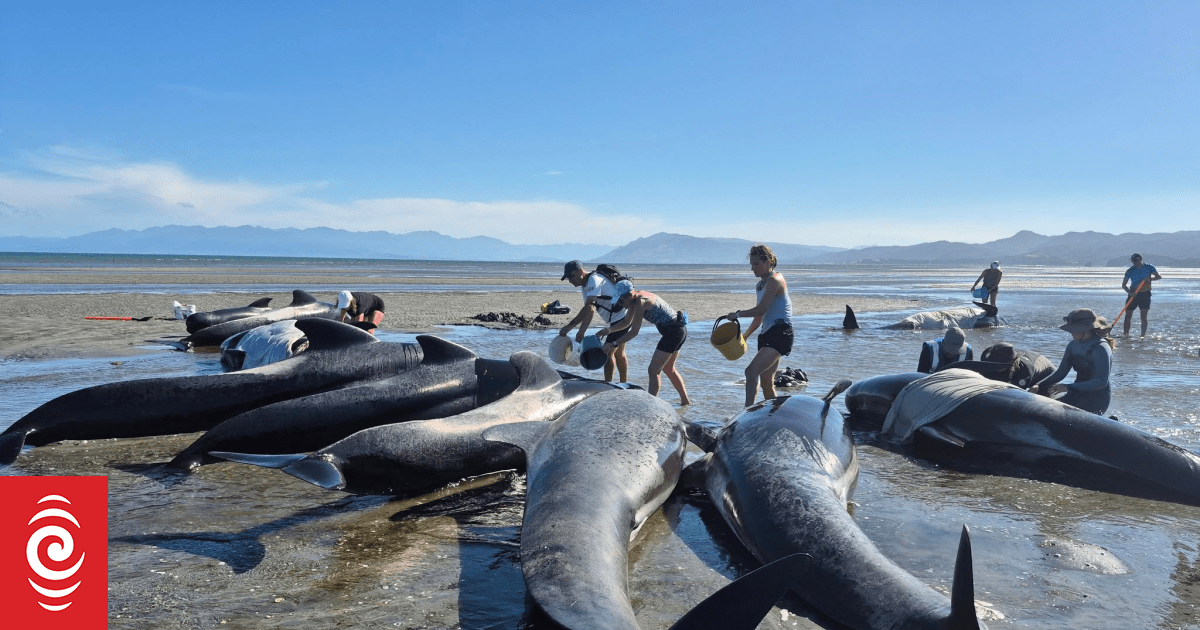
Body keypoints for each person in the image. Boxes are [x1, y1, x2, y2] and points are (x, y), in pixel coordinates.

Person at [597, 280, 690, 405]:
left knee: (653, 370)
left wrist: (614, 344)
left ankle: (650, 405)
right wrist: (607, 330)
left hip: (673, 333)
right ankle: (685, 402)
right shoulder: (635, 299)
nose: (620, 305)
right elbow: (626, 322)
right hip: (679, 329)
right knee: (668, 368)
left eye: (620, 301)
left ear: (629, 295)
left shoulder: (641, 302)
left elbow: (634, 332)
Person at [724, 244, 793, 407]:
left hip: (781, 333)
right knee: (767, 382)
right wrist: (745, 336)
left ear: (768, 262)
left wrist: (738, 314)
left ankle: (747, 411)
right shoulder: (760, 285)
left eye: (756, 264)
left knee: (750, 372)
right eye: (751, 264)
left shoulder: (775, 280)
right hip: (767, 333)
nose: (752, 268)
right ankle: (774, 414)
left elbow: (762, 308)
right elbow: (759, 316)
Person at [1028, 308, 1114, 415]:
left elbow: (1102, 381)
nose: (1072, 333)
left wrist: (1068, 387)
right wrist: (1039, 385)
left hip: (1097, 399)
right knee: (1044, 410)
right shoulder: (1073, 345)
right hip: (1076, 394)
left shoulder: (1101, 348)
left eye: (1074, 330)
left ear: (1086, 329)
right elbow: (1061, 372)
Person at [557, 260, 629, 383]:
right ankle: (624, 384)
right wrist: (571, 327)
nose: (570, 280)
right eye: (567, 278)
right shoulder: (585, 285)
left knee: (608, 351)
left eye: (571, 276)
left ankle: (608, 383)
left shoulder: (593, 280)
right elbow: (588, 309)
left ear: (580, 272)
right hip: (619, 317)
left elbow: (590, 308)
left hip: (622, 317)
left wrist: (579, 331)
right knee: (619, 352)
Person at [1121, 253, 1162, 337]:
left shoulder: (1149, 267)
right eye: (1132, 261)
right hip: (1133, 294)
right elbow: (1123, 285)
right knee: (1128, 315)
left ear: (1140, 259)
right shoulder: (1130, 270)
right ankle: (1125, 335)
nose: (1134, 262)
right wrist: (1130, 293)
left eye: (1136, 260)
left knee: (1143, 316)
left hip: (1145, 294)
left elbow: (1158, 277)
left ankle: (1142, 336)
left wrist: (1149, 279)